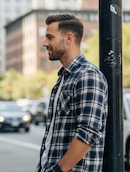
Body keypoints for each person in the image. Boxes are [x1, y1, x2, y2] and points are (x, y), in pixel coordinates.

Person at [37, 14, 108, 172]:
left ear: (68, 38)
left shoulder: (88, 75)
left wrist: (59, 170)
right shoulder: (63, 79)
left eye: (50, 37)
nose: (44, 43)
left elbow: (88, 132)